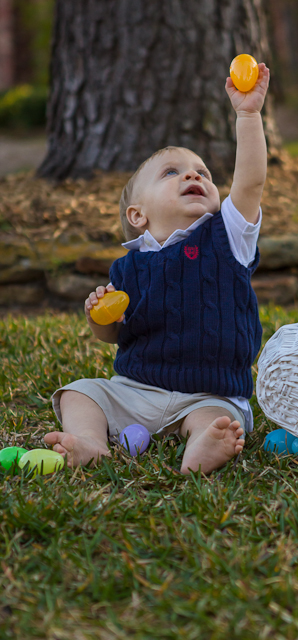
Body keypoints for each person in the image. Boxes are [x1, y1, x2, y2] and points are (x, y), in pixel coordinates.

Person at [44, 63, 270, 475]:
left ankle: (202, 445)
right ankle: (92, 443)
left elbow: (251, 183)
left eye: (203, 172)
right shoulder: (128, 267)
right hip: (135, 391)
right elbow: (114, 334)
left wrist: (248, 115)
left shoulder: (227, 238)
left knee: (216, 419)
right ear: (138, 214)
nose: (193, 174)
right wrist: (99, 318)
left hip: (209, 393)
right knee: (80, 393)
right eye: (172, 172)